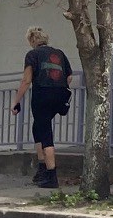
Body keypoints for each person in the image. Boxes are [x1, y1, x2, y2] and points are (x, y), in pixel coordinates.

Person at [13, 27, 73, 188]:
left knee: (45, 132)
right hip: (59, 96)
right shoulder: (59, 53)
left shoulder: (32, 55)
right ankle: (41, 168)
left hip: (42, 96)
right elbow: (69, 77)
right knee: (37, 127)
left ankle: (50, 174)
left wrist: (16, 102)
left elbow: (26, 81)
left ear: (32, 41)